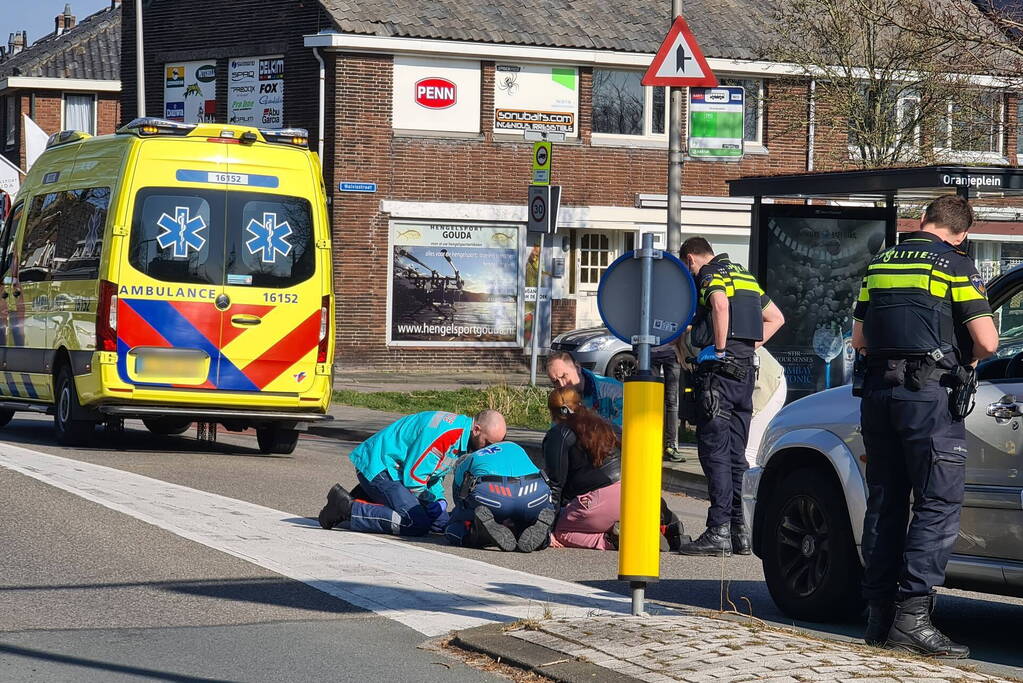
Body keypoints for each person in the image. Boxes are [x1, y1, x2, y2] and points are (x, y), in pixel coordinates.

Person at [853, 195, 997, 657]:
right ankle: (912, 620)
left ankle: (878, 617)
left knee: (885, 502)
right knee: (937, 504)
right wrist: (964, 362)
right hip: (928, 398)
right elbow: (988, 342)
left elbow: (858, 338)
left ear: (923, 220)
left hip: (878, 395)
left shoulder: (880, 264)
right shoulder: (956, 265)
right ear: (962, 233)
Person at [677, 238, 785, 557]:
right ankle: (741, 531)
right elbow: (776, 318)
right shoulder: (744, 275)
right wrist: (746, 349)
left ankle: (718, 531)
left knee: (715, 453)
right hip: (745, 373)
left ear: (690, 259)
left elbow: (720, 305)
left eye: (688, 267)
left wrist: (721, 351)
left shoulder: (709, 273)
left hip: (719, 376)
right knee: (737, 454)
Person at [317, 410, 507, 537]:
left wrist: (439, 500)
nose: (487, 449)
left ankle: (367, 499)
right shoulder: (448, 435)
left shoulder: (461, 436)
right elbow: (414, 478)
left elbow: (433, 475)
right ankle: (347, 508)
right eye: (487, 443)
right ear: (476, 430)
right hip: (381, 467)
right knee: (415, 523)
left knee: (440, 522)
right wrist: (431, 502)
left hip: (395, 471)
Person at [543, 387, 683, 550]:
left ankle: (611, 539)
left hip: (599, 501)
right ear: (580, 403)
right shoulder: (606, 425)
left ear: (552, 412)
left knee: (562, 531)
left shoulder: (559, 434)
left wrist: (548, 527)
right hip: (634, 496)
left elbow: (555, 484)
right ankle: (664, 529)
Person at [679, 332, 788, 467]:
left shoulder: (696, 338)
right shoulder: (689, 340)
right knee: (733, 451)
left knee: (745, 453)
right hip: (746, 383)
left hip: (764, 384)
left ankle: (747, 480)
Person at [444, 441, 555, 552]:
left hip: (494, 492)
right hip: (535, 491)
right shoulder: (511, 445)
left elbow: (460, 502)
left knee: (452, 529)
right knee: (524, 513)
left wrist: (455, 518)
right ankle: (540, 536)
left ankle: (479, 534)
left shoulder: (464, 464)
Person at [546, 351, 623, 426]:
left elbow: (625, 425)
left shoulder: (614, 390)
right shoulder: (560, 400)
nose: (562, 385)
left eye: (564, 376)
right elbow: (556, 431)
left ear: (577, 368)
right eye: (555, 381)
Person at [651, 341, 686, 463]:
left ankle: (670, 446)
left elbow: (681, 330)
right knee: (652, 401)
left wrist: (680, 352)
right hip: (649, 352)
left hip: (671, 353)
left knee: (672, 401)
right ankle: (653, 444)